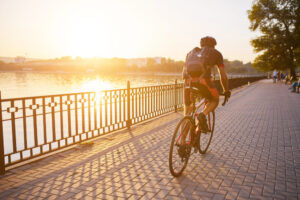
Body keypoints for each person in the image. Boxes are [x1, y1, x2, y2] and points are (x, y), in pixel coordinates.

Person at [182, 36, 230, 133]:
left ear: (201, 44)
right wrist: (226, 90)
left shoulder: (190, 53)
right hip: (203, 82)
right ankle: (202, 115)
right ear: (214, 45)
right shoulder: (216, 53)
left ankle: (182, 143)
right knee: (215, 100)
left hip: (188, 83)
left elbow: (183, 72)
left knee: (187, 113)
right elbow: (223, 75)